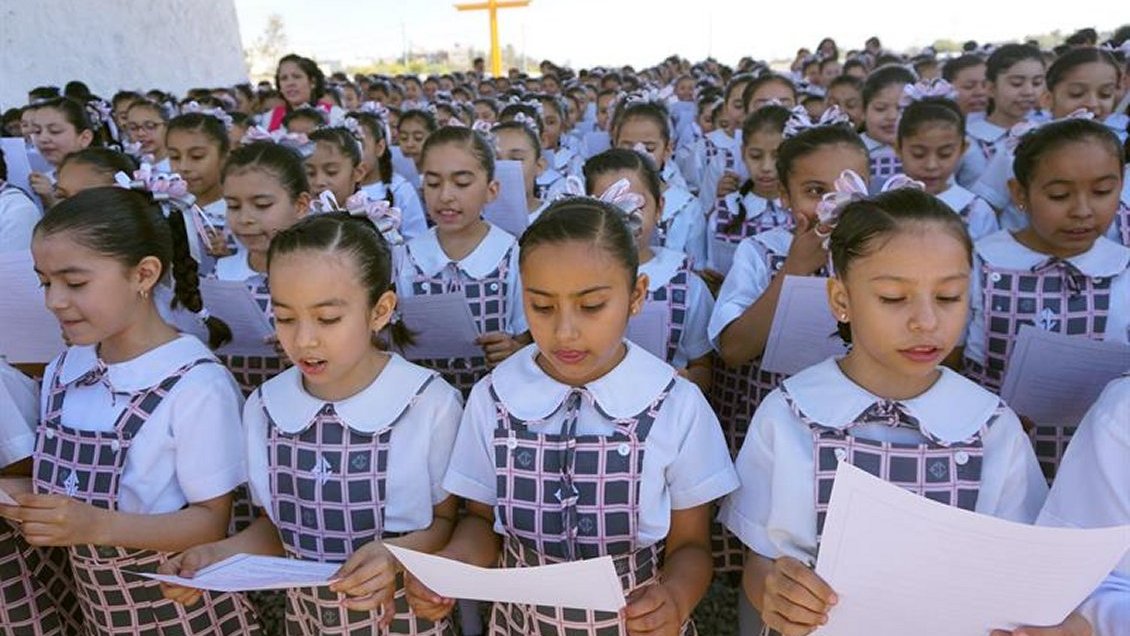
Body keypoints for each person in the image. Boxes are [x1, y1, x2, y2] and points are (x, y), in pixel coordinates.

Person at [722, 186, 1049, 636]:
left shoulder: (991, 426)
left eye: (950, 297)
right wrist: (775, 593)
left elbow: (1019, 564)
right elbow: (759, 557)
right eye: (894, 298)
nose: (926, 321)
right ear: (841, 300)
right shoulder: (790, 413)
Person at [407, 196, 738, 635]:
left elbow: (692, 545)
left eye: (592, 306)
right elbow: (480, 521)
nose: (564, 331)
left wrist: (674, 598)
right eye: (542, 307)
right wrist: (450, 566)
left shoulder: (675, 403)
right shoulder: (495, 397)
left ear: (636, 295)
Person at [159, 214, 461, 635]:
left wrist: (395, 555)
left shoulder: (429, 403)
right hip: (306, 621)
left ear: (380, 310)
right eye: (285, 317)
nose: (303, 340)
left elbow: (448, 522)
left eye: (327, 319)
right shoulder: (265, 406)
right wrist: (217, 555)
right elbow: (280, 531)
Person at [3, 187, 260, 633]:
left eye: (75, 283)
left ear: (143, 274)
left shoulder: (195, 383)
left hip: (182, 612)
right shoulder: (67, 366)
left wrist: (94, 525)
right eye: (45, 282)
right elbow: (63, 481)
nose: (54, 301)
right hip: (96, 611)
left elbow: (209, 522)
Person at [961, 118, 1128, 479]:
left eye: (1102, 192)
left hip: (1097, 456)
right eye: (1059, 196)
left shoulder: (1122, 269)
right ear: (1020, 194)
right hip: (992, 447)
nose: (1082, 210)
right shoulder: (980, 262)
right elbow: (951, 357)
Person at [394, 126, 529, 396]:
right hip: (425, 401)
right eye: (433, 183)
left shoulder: (512, 255)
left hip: (494, 401)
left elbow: (526, 332)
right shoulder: (406, 257)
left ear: (491, 190)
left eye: (462, 183)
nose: (445, 195)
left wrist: (513, 348)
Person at [213, 141, 312, 394]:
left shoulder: (325, 278)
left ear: (300, 205)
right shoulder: (220, 276)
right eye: (233, 206)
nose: (245, 218)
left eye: (262, 205)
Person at [895, 80, 1000, 239]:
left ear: (962, 149)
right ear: (898, 148)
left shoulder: (976, 211)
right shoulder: (886, 207)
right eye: (918, 154)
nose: (931, 165)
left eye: (945, 154)